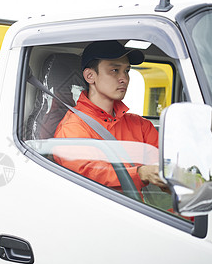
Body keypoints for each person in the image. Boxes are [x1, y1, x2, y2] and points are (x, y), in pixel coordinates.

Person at [53, 40, 168, 195]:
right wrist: (141, 173)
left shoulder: (140, 125)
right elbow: (88, 173)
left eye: (127, 71)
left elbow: (164, 165)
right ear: (90, 76)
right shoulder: (73, 127)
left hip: (139, 212)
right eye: (115, 70)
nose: (124, 79)